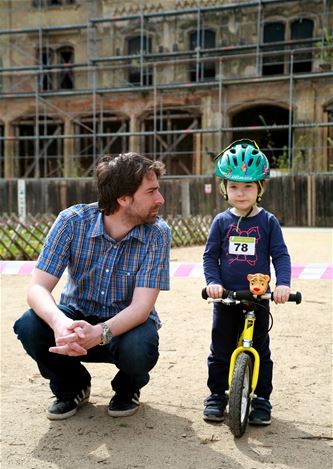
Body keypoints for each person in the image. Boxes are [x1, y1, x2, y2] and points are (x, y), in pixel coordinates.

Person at [13, 152, 171, 420]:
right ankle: (71, 387)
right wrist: (60, 324)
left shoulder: (158, 233)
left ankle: (127, 389)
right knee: (29, 324)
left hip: (124, 328)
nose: (160, 199)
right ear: (123, 199)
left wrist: (99, 333)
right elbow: (37, 288)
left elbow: (142, 308)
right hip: (75, 320)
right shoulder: (71, 222)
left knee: (141, 345)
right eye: (152, 191)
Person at [202, 139, 291, 425]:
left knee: (261, 350)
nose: (241, 193)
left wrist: (282, 284)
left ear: (259, 189)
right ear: (224, 189)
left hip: (259, 298)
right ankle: (216, 395)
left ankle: (262, 398)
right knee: (220, 349)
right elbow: (209, 257)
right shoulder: (221, 222)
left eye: (248, 186)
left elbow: (280, 255)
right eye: (234, 187)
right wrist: (213, 282)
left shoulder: (268, 222)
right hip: (227, 297)